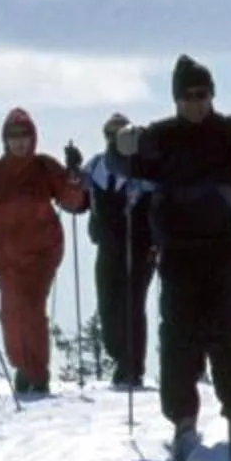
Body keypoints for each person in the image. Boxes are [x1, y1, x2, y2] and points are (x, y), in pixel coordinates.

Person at [115, 54, 231, 461]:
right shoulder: (160, 135)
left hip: (225, 247)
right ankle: (182, 418)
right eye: (188, 96)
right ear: (176, 98)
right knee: (177, 334)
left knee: (227, 330)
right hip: (177, 249)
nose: (196, 102)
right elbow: (124, 163)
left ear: (212, 95)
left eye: (203, 94)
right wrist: (120, 145)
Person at [0, 108, 89, 396]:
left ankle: (37, 373)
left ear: (33, 138)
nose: (20, 142)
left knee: (30, 309)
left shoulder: (45, 168)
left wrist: (75, 178)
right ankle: (22, 366)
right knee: (9, 314)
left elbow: (71, 200)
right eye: (14, 136)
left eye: (24, 136)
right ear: (5, 140)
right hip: (5, 258)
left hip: (42, 253)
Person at [83, 113, 159, 389]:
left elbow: (157, 203)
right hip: (107, 243)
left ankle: (132, 366)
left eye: (120, 135)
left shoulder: (143, 168)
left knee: (132, 302)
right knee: (108, 305)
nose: (114, 141)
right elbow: (77, 197)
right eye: (110, 135)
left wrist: (158, 240)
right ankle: (120, 355)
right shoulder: (95, 167)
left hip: (140, 244)